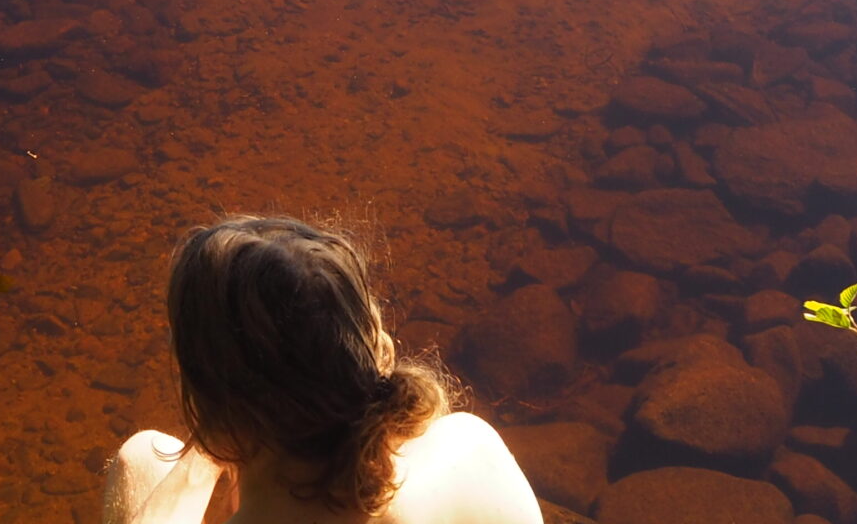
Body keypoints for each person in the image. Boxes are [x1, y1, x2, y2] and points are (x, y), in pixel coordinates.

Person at [104, 215, 541, 524]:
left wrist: (213, 451)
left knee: (141, 458)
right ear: (371, 352)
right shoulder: (470, 448)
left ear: (213, 409)